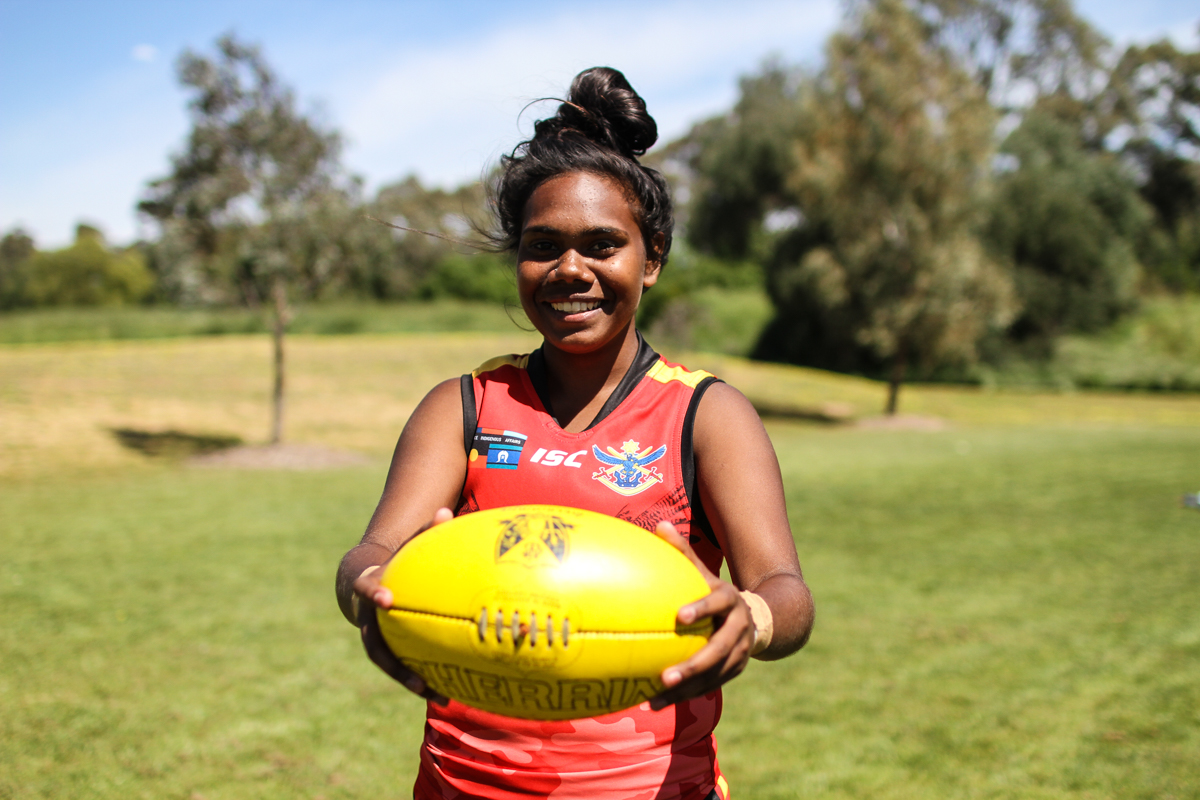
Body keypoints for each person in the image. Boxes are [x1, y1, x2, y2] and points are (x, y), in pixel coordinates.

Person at [335, 66, 814, 800]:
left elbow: (786, 591)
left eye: (601, 245)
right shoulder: (462, 407)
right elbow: (372, 553)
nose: (569, 270)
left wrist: (747, 617)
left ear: (650, 258)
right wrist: (370, 588)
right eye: (542, 245)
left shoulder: (706, 415)